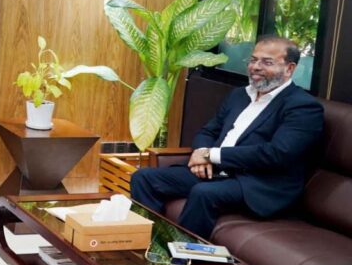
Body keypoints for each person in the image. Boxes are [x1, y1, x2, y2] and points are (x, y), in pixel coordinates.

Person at [130, 35, 324, 240]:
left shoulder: (303, 106)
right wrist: (201, 154)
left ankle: (180, 253)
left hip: (258, 184)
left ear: (289, 69)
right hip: (216, 172)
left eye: (267, 62)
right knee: (144, 178)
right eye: (253, 60)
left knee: (204, 193)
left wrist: (211, 155)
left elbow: (277, 153)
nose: (256, 67)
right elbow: (208, 131)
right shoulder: (239, 95)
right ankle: (151, 242)